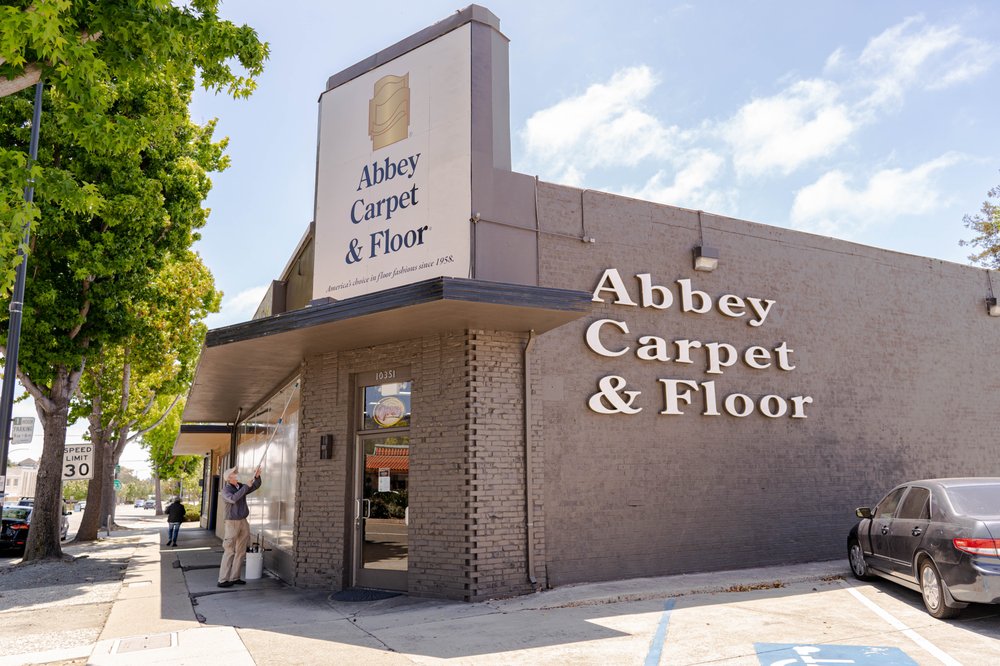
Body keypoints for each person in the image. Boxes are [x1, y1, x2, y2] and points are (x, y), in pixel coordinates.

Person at [218, 465, 261, 588]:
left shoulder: (240, 486)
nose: (236, 473)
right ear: (229, 477)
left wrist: (257, 477)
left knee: (241, 551)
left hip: (243, 521)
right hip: (232, 522)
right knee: (229, 550)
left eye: (236, 472)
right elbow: (233, 499)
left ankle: (235, 577)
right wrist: (246, 486)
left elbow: (255, 486)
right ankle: (223, 579)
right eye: (234, 473)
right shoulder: (226, 490)